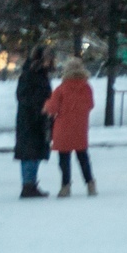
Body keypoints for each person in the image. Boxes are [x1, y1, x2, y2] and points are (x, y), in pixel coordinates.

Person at [43, 58, 97, 197]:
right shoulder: (87, 87)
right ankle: (90, 184)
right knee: (83, 157)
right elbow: (90, 105)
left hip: (63, 127)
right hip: (80, 126)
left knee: (64, 159)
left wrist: (46, 105)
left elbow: (52, 108)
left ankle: (65, 186)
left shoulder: (61, 89)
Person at [11, 49, 51, 198]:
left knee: (32, 152)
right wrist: (40, 108)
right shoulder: (32, 75)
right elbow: (24, 97)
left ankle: (30, 183)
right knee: (31, 153)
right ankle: (28, 185)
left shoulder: (34, 74)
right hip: (31, 120)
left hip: (32, 119)